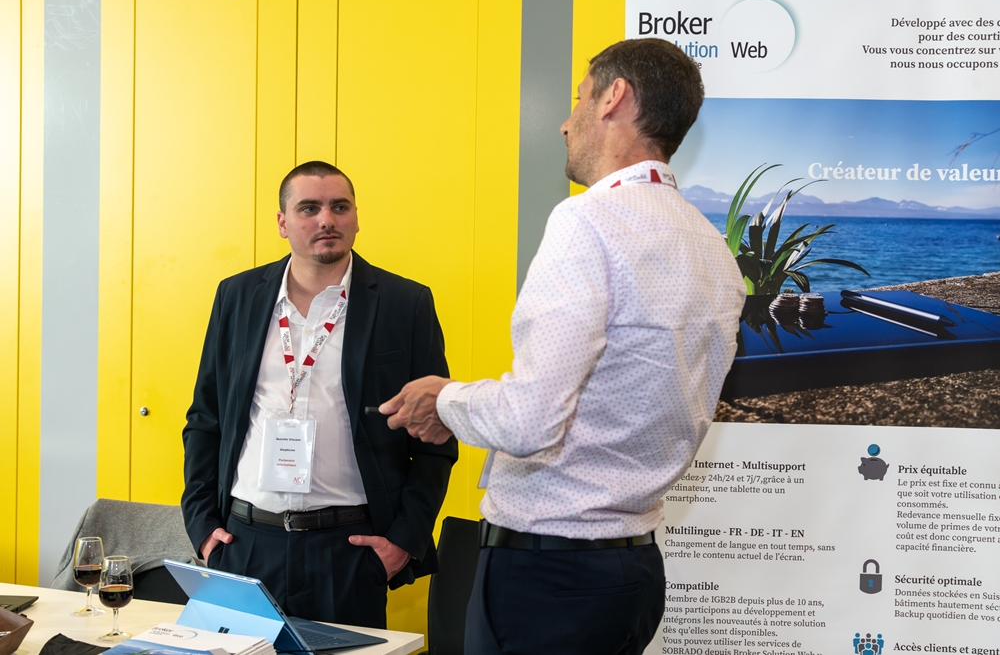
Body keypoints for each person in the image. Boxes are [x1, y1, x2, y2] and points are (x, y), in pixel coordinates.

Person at [381, 39, 745, 654]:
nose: (565, 122)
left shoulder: (588, 222)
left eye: (578, 98)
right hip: (632, 575)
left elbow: (529, 421)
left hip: (546, 580)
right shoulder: (710, 246)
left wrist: (443, 400)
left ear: (613, 97)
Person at [180, 161, 457, 629]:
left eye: (339, 207)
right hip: (245, 544)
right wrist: (203, 527)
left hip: (348, 553)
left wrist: (402, 543)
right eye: (309, 208)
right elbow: (206, 420)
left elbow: (435, 436)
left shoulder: (405, 304)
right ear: (283, 222)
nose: (327, 219)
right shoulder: (237, 296)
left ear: (356, 217)